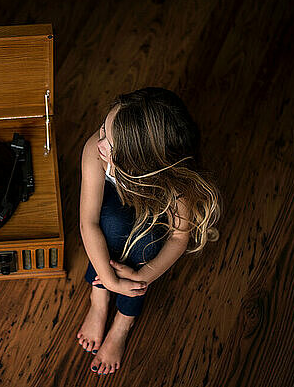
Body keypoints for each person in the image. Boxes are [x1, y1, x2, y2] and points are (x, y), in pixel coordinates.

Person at [76, 87, 221, 375]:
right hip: (110, 216)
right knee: (112, 227)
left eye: (110, 142)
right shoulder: (96, 150)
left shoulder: (177, 187)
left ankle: (124, 321)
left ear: (141, 164)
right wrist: (108, 281)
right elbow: (87, 223)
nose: (99, 142)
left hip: (148, 227)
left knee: (147, 242)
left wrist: (142, 279)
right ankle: (99, 297)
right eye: (103, 128)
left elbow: (179, 238)